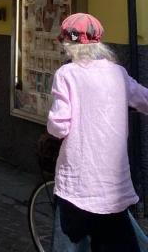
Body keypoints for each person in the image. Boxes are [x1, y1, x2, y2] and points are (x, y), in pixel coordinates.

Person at [48, 13, 148, 251]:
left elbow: (59, 125)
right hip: (113, 186)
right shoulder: (118, 73)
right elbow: (144, 99)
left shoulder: (66, 74)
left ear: (67, 44)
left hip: (77, 185)